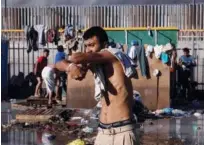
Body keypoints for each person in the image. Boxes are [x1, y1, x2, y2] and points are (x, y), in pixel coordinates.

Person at [55, 26, 137, 145]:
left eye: (92, 45)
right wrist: (69, 67)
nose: (88, 50)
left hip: (122, 132)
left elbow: (76, 57)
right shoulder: (94, 62)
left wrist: (74, 63)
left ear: (104, 44)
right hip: (103, 132)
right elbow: (57, 64)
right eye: (86, 45)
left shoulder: (112, 55)